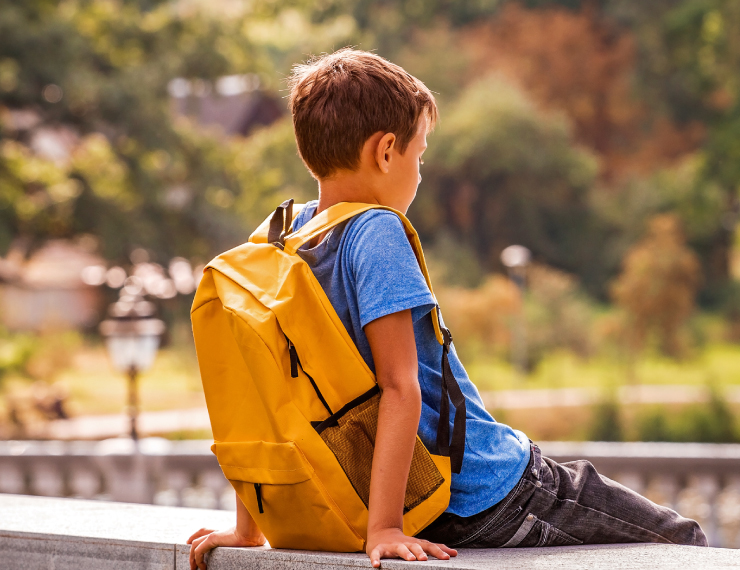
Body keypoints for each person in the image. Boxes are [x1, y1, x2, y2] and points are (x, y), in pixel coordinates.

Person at [187, 48, 707, 570]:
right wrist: (386, 529)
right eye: (420, 154)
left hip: (394, 504)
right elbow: (399, 386)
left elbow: (262, 395)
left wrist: (250, 526)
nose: (419, 173)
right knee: (682, 543)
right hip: (486, 492)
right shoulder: (375, 229)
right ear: (386, 151)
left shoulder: (281, 236)